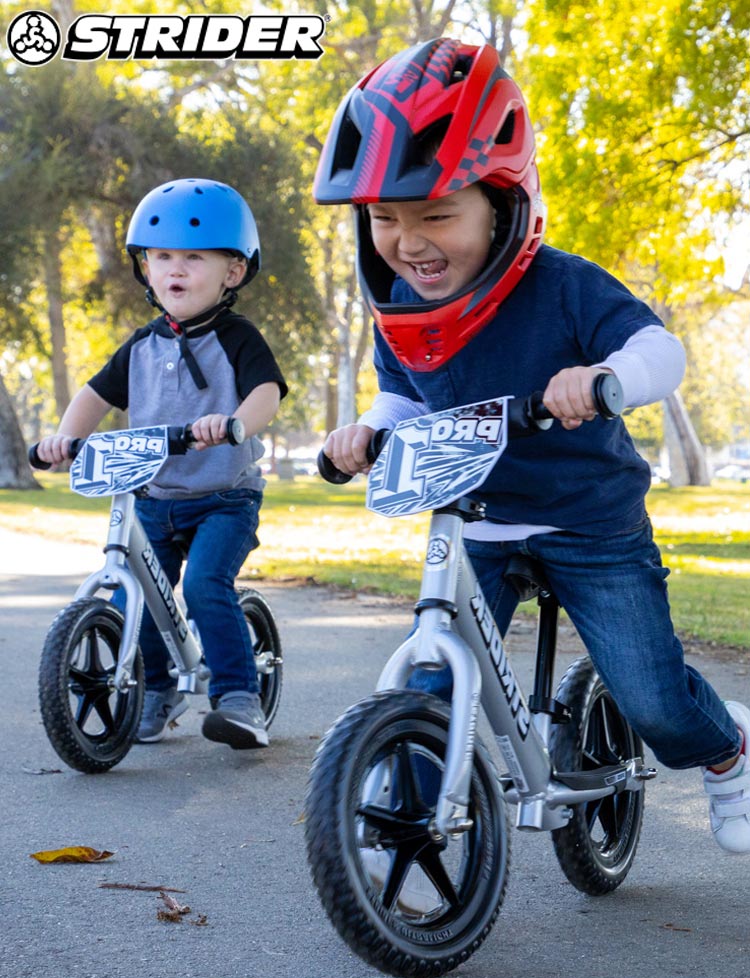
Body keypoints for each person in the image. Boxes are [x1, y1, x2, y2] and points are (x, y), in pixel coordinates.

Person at [315, 38, 750, 853]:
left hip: (590, 522)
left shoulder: (564, 283)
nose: (408, 243)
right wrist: (369, 433)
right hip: (474, 519)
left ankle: (729, 749)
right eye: (385, 218)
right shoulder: (403, 306)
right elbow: (407, 396)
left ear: (504, 202)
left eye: (437, 214)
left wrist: (603, 376)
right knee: (431, 676)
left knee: (650, 696)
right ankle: (401, 811)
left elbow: (663, 351)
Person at [35, 178, 287, 750]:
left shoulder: (237, 338)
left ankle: (238, 696)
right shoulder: (141, 346)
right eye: (161, 256)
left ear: (233, 271)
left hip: (225, 496)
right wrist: (63, 439)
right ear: (145, 269)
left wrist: (234, 424)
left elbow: (267, 392)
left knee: (203, 585)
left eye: (194, 257)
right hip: (155, 497)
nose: (175, 268)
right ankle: (153, 690)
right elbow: (95, 396)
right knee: (136, 595)